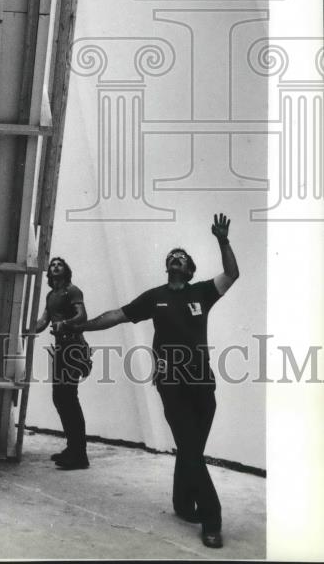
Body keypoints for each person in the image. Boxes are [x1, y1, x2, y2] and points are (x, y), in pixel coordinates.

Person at [70, 213, 239, 549]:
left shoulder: (203, 292)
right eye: (171, 257)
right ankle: (212, 520)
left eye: (182, 258)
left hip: (203, 383)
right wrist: (81, 327)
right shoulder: (154, 297)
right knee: (190, 448)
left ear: (190, 270)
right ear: (168, 268)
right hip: (171, 382)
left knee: (192, 449)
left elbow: (232, 273)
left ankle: (181, 503)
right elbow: (115, 315)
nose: (176, 259)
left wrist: (222, 240)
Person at [34, 256, 90, 470]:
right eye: (52, 265)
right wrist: (25, 329)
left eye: (59, 264)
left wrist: (64, 324)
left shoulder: (72, 291)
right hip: (60, 349)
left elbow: (82, 316)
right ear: (49, 272)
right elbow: (42, 322)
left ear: (66, 270)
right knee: (60, 398)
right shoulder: (51, 295)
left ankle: (79, 454)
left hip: (74, 347)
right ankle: (72, 448)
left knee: (68, 398)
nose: (55, 266)